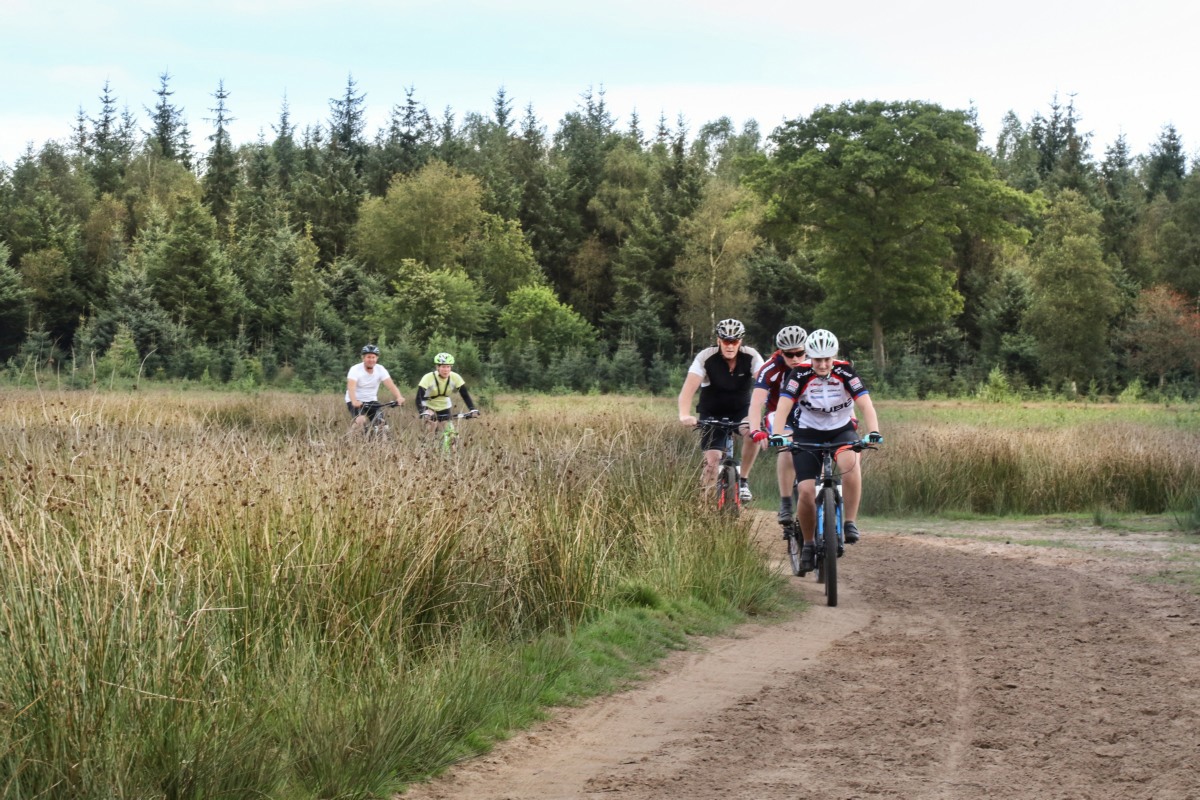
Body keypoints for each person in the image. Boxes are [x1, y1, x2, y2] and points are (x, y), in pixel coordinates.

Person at [771, 329, 882, 572]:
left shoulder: (845, 372)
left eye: (827, 359)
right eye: (817, 359)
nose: (822, 364)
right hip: (807, 432)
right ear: (810, 357)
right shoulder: (799, 373)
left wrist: (873, 431)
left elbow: (865, 403)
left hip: (840, 430)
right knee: (806, 490)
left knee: (850, 464)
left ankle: (850, 522)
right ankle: (809, 543)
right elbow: (783, 405)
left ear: (834, 356)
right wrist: (778, 434)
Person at [677, 318, 765, 500]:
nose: (730, 346)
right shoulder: (705, 357)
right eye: (726, 341)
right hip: (712, 411)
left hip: (741, 410)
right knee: (712, 463)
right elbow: (687, 390)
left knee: (753, 432)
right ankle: (704, 504)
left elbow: (765, 383)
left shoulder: (751, 356)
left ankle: (743, 480)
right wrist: (684, 414)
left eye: (734, 341)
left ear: (740, 342)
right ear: (718, 340)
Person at [747, 325, 808, 525]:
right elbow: (756, 404)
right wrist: (756, 430)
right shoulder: (770, 369)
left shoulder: (816, 363)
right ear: (781, 352)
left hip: (810, 414)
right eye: (789, 355)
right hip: (778, 414)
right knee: (787, 447)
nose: (795, 359)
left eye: (799, 353)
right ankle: (786, 502)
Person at [346, 344, 406, 429]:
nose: (371, 360)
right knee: (360, 420)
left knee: (381, 422)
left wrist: (399, 397)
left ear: (377, 358)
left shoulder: (380, 369)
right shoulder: (355, 369)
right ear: (363, 358)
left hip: (372, 400)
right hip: (356, 400)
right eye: (368, 357)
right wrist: (354, 401)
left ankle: (382, 441)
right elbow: (351, 387)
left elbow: (391, 385)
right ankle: (350, 439)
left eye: (373, 357)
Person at [416, 352, 479, 429]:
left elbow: (465, 395)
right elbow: (419, 397)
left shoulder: (455, 377)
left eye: (448, 367)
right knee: (431, 427)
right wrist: (423, 411)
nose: (446, 370)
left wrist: (472, 409)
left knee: (451, 434)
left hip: (444, 407)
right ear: (437, 367)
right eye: (443, 367)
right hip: (429, 407)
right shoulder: (428, 377)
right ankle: (429, 440)